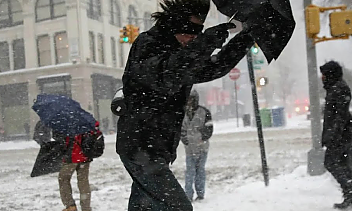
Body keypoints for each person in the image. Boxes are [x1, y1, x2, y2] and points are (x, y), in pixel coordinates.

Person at [115, 0, 255, 210]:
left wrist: (246, 37)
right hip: (140, 147)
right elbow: (167, 74)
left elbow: (213, 68)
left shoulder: (183, 54)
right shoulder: (148, 45)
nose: (193, 37)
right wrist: (205, 42)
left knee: (144, 206)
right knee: (179, 207)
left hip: (157, 150)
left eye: (198, 32)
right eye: (189, 31)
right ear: (174, 24)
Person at [320, 61, 352, 209]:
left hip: (339, 135)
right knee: (342, 163)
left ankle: (350, 192)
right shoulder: (335, 88)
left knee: (330, 162)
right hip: (340, 133)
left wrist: (333, 135)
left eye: (324, 74)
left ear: (330, 74)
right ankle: (351, 193)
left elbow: (339, 116)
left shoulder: (338, 89)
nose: (322, 78)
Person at [57, 121, 103, 211]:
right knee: (83, 182)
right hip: (85, 156)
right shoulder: (86, 120)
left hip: (73, 156)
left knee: (63, 178)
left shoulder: (68, 123)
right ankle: (86, 208)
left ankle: (70, 205)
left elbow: (64, 140)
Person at [180, 90, 213, 201]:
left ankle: (200, 193)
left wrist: (202, 138)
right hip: (189, 148)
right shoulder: (182, 113)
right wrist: (185, 140)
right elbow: (181, 130)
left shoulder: (204, 112)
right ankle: (188, 195)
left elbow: (209, 128)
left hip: (202, 147)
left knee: (200, 171)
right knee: (190, 171)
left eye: (191, 99)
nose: (189, 102)